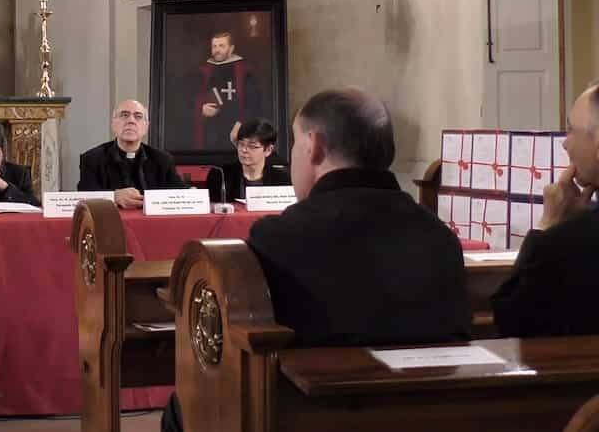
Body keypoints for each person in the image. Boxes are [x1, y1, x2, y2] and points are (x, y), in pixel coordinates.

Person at [162, 88, 470, 432]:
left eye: (294, 144)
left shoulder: (278, 238)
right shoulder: (440, 236)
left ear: (314, 146)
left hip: (313, 414)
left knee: (184, 406)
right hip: (432, 415)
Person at [491, 83, 599, 337]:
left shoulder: (564, 245)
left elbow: (508, 320)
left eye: (571, 131)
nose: (564, 144)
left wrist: (547, 225)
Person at [78, 99, 188, 209]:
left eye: (138, 116)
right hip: (109, 223)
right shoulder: (92, 159)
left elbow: (180, 192)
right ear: (113, 123)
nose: (131, 121)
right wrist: (113, 196)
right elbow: (84, 195)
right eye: (124, 115)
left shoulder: (163, 160)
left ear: (146, 127)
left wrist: (193, 195)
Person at [192, 31, 262, 149]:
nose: (217, 50)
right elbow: (191, 98)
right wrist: (201, 109)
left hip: (236, 128)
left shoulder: (245, 71)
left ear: (231, 48)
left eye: (221, 46)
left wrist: (242, 123)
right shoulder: (203, 71)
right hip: (209, 131)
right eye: (214, 46)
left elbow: (254, 102)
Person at [210, 118, 290, 203]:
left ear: (268, 150)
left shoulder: (282, 180)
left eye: (252, 146)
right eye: (241, 144)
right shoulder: (220, 176)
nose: (244, 150)